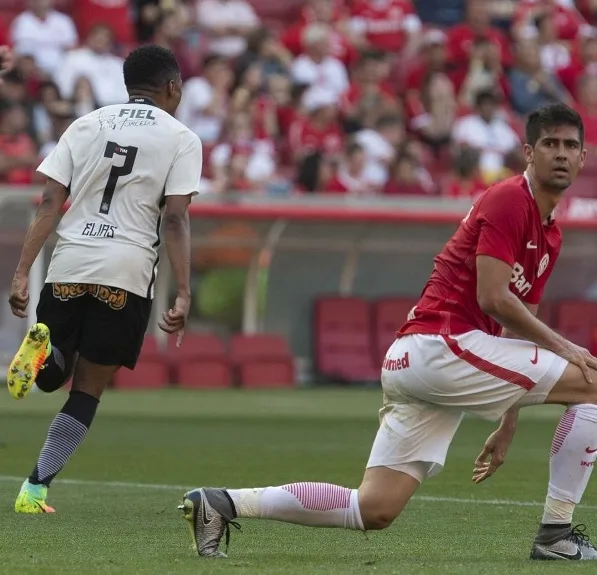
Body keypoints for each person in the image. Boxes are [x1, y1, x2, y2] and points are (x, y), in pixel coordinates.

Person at [179, 103, 597, 561]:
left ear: (581, 158)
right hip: (444, 347)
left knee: (374, 507)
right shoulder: (509, 199)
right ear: (528, 153)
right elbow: (493, 299)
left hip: (419, 359)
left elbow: (515, 331)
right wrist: (567, 346)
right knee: (593, 385)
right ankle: (556, 535)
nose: (561, 153)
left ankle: (221, 503)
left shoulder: (550, 233)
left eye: (570, 145)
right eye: (550, 144)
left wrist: (508, 420)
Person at [6, 45, 202, 513]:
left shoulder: (88, 123)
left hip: (70, 262)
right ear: (172, 87)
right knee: (87, 388)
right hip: (127, 271)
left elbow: (51, 199)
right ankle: (34, 490)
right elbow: (174, 220)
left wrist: (20, 272)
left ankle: (43, 353)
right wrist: (184, 291)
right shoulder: (181, 137)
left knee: (55, 374)